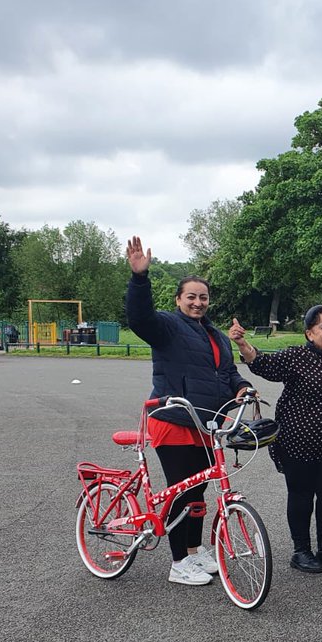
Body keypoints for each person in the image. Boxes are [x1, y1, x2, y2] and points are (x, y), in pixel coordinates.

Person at [124, 236, 252, 587]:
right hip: (174, 421)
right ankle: (178, 562)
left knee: (197, 494)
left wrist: (241, 388)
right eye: (191, 297)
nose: (198, 302)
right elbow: (139, 318)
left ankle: (194, 551)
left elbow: (226, 373)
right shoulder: (166, 325)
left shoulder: (215, 335)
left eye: (203, 297)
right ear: (179, 300)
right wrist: (139, 279)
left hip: (206, 424)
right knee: (182, 493)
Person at [228, 305, 322, 574]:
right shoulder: (297, 356)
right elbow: (264, 365)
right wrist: (242, 343)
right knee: (301, 495)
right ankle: (301, 551)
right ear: (309, 333)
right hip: (297, 440)